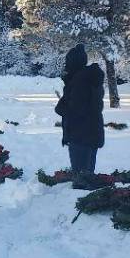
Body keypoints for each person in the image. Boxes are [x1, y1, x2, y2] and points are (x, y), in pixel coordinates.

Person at [54, 43, 105, 175]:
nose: (66, 65)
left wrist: (60, 107)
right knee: (87, 174)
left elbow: (76, 109)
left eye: (68, 62)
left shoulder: (79, 81)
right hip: (91, 132)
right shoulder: (90, 78)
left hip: (80, 134)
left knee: (81, 178)